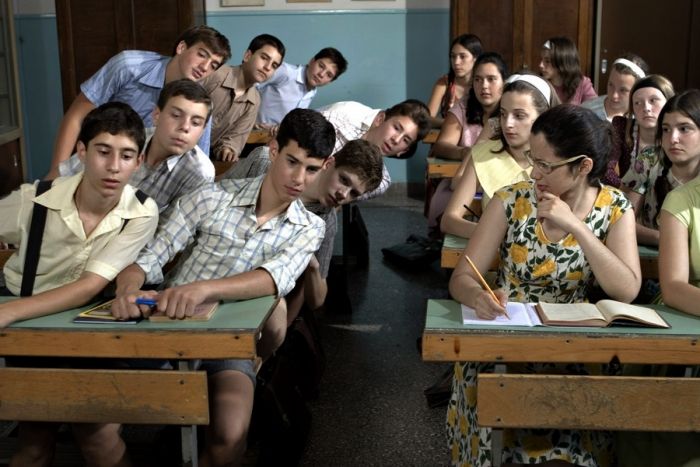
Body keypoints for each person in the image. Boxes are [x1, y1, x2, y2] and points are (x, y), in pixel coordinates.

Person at [98, 108, 335, 466]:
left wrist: (203, 290)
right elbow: (148, 257)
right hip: (163, 330)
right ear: (273, 150)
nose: (299, 179)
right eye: (292, 162)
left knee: (229, 440)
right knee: (96, 430)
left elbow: (273, 278)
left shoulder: (310, 228)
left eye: (312, 169)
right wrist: (128, 290)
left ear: (325, 166)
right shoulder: (213, 197)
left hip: (229, 344)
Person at [447, 104, 641, 467]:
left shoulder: (615, 207)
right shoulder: (511, 199)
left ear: (583, 167)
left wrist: (577, 227)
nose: (534, 173)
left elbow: (626, 289)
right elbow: (462, 278)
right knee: (495, 410)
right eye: (532, 160)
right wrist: (478, 296)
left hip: (573, 347)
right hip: (507, 338)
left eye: (546, 166)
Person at [0, 102, 159, 466]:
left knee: (97, 438)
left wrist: (6, 313)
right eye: (103, 151)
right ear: (82, 152)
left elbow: (90, 286)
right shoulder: (35, 199)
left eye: (126, 155)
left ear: (138, 162)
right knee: (35, 442)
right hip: (30, 329)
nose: (114, 166)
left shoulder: (140, 211)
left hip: (87, 327)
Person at [224, 138, 383, 318]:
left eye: (353, 193)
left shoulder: (325, 221)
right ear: (329, 163)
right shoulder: (266, 162)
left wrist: (312, 264)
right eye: (344, 180)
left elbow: (317, 300)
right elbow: (214, 195)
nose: (343, 194)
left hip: (255, 289)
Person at [48, 25, 231, 177]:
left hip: (150, 178)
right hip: (100, 157)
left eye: (213, 65)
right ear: (181, 47)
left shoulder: (200, 106)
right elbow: (76, 115)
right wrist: (56, 174)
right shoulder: (128, 66)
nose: (205, 67)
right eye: (202, 54)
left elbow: (198, 161)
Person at [57, 79, 215, 211]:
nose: (185, 127)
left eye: (196, 122)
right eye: (176, 115)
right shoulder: (128, 138)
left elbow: (169, 232)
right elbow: (62, 179)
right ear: (156, 115)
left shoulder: (200, 173)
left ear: (202, 130)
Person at [440, 73, 560, 239]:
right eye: (503, 114)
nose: (508, 124)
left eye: (519, 116)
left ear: (543, 117)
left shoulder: (560, 161)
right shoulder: (483, 155)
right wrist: (498, 235)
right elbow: (449, 220)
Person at [427, 52, 508, 237]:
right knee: (445, 199)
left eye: (491, 79)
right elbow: (442, 145)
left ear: (504, 82)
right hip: (465, 175)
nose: (484, 86)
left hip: (497, 182)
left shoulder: (509, 115)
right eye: (478, 80)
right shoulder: (463, 107)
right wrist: (465, 152)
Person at [622, 90, 700, 246]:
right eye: (666, 129)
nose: (673, 139)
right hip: (650, 255)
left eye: (684, 129)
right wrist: (665, 238)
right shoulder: (649, 160)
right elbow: (622, 221)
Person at [314, 99, 431, 200]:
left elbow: (338, 202)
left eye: (405, 140)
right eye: (396, 128)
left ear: (404, 151)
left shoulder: (381, 182)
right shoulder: (337, 125)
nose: (396, 140)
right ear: (380, 119)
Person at [201, 33, 286, 163]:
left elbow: (234, 139)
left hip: (202, 158)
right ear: (247, 56)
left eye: (274, 65)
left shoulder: (255, 100)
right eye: (264, 58)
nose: (267, 67)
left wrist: (227, 150)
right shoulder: (216, 74)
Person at [602, 74, 674, 187]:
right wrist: (623, 190)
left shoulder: (678, 134)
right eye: (638, 103)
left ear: (669, 103)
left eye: (653, 100)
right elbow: (604, 168)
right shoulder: (622, 127)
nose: (646, 108)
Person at [256, 47, 348, 129]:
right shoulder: (286, 72)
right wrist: (252, 120)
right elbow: (251, 83)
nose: (321, 74)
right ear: (312, 61)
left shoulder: (312, 92)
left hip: (270, 139)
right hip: (251, 131)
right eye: (321, 66)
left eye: (329, 75)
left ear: (330, 81)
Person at [426, 34, 483, 128]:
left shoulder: (483, 84)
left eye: (462, 56)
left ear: (475, 58)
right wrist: (453, 125)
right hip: (448, 135)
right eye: (453, 56)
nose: (456, 62)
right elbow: (427, 119)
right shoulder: (444, 83)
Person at [581, 53, 649, 122]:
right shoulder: (586, 111)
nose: (614, 95)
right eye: (611, 85)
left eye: (623, 90)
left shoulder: (644, 118)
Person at [538, 36, 597, 105]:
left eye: (547, 61)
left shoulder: (583, 84)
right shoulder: (539, 83)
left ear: (562, 62)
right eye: (541, 59)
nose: (540, 65)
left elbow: (595, 108)